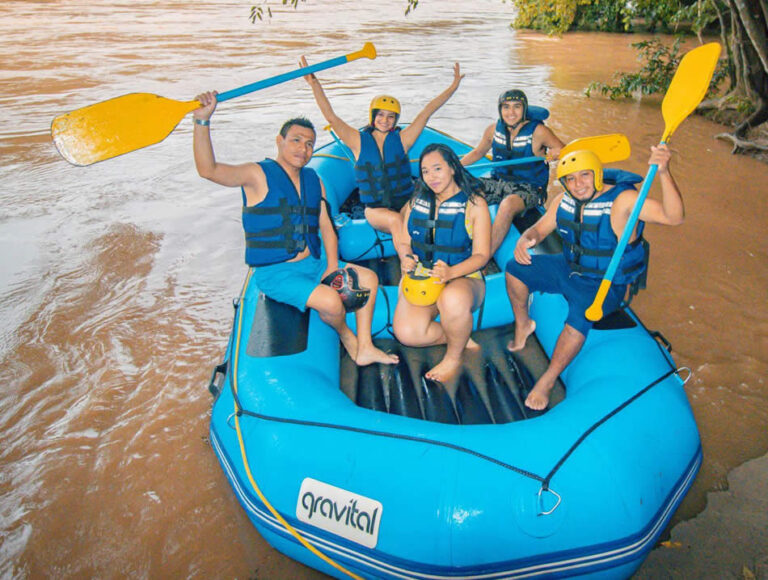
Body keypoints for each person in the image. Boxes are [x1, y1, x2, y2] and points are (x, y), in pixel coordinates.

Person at [192, 91, 398, 366]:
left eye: (310, 144)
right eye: (296, 141)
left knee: (370, 280)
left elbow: (326, 226)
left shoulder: (313, 179)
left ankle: (366, 346)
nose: (303, 148)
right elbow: (209, 170)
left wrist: (332, 265)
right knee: (331, 303)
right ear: (280, 141)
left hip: (315, 262)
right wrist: (202, 122)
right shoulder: (256, 175)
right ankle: (348, 339)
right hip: (277, 273)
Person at [505, 145, 684, 410]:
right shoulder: (562, 200)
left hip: (605, 283)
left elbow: (674, 217)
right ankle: (523, 324)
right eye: (570, 179)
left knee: (578, 319)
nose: (577, 185)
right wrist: (526, 238)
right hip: (569, 267)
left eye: (584, 176)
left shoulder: (623, 201)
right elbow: (539, 231)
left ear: (597, 174)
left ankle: (548, 379)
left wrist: (664, 172)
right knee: (514, 268)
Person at [301, 57, 464, 262]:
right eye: (381, 115)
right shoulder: (357, 141)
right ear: (373, 116)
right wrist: (314, 83)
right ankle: (408, 264)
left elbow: (427, 111)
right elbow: (331, 117)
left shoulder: (403, 140)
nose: (385, 121)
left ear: (395, 120)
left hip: (405, 201)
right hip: (376, 210)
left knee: (425, 211)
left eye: (390, 117)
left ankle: (444, 257)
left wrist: (453, 86)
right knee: (396, 221)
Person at [393, 143, 492, 383]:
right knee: (407, 333)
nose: (431, 177)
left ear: (453, 168)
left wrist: (451, 273)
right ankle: (457, 334)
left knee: (453, 299)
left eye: (437, 168)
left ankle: (454, 357)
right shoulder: (417, 201)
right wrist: (406, 258)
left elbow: (481, 256)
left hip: (464, 278)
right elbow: (405, 242)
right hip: (424, 278)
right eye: (425, 171)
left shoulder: (475, 205)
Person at [461, 89, 565, 255]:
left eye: (517, 107)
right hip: (498, 181)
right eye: (506, 107)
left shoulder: (539, 132)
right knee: (463, 189)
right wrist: (453, 166)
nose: (511, 112)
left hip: (529, 188)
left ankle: (483, 258)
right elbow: (477, 153)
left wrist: (556, 153)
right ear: (500, 110)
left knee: (508, 204)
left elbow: (564, 150)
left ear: (524, 109)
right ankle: (464, 240)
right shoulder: (493, 130)